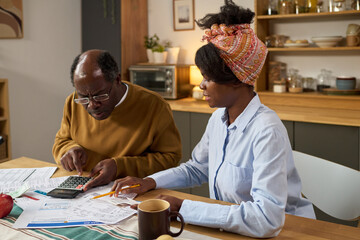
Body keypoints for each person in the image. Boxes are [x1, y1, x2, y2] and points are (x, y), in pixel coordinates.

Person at [109, 1, 315, 238]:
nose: (201, 84)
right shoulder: (219, 118)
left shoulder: (266, 130)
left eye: (208, 78)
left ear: (237, 79)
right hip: (237, 230)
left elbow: (266, 219)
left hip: (290, 231)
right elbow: (197, 168)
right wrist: (149, 181)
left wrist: (183, 207)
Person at [52, 49, 182, 190]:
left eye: (100, 96)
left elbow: (171, 158)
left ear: (117, 80)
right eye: (83, 97)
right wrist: (70, 149)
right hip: (83, 190)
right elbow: (61, 141)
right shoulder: (72, 102)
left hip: (131, 191)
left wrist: (120, 167)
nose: (92, 105)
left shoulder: (154, 105)